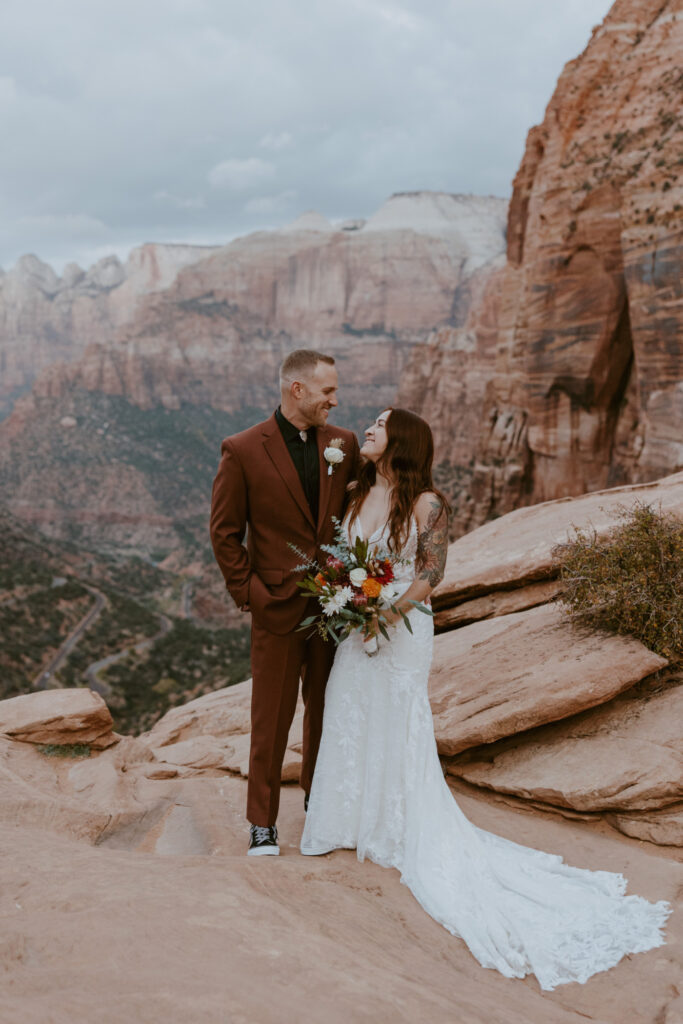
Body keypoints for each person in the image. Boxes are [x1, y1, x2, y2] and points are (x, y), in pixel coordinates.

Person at [301, 407, 671, 991]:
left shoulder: (427, 505)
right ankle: (347, 820)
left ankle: (395, 829)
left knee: (399, 719)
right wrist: (348, 601)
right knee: (351, 712)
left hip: (401, 628)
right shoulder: (352, 491)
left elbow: (432, 571)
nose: (366, 428)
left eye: (379, 424)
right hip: (358, 625)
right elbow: (341, 560)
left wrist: (387, 613)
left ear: (403, 442)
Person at [210, 350, 360, 856]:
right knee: (269, 720)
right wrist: (249, 593)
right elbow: (225, 533)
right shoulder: (243, 448)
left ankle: (321, 808)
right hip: (274, 606)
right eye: (327, 392)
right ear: (297, 389)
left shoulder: (344, 444)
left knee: (326, 711)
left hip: (334, 606)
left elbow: (361, 509)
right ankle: (262, 824)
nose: (335, 402)